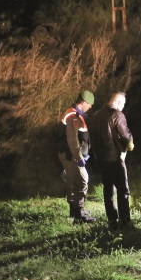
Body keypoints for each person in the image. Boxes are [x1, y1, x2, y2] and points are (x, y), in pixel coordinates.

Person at [89, 92, 134, 230]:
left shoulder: (97, 115)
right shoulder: (117, 115)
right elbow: (125, 135)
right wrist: (130, 143)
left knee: (108, 189)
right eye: (124, 104)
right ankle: (125, 220)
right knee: (123, 190)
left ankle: (112, 220)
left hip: (101, 159)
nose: (123, 107)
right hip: (115, 157)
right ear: (119, 102)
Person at [58, 90, 97, 224]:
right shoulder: (74, 117)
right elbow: (72, 140)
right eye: (90, 104)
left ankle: (74, 211)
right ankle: (79, 216)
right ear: (84, 102)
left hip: (70, 156)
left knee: (73, 183)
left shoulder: (74, 115)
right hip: (73, 157)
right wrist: (79, 157)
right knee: (82, 181)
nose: (90, 107)